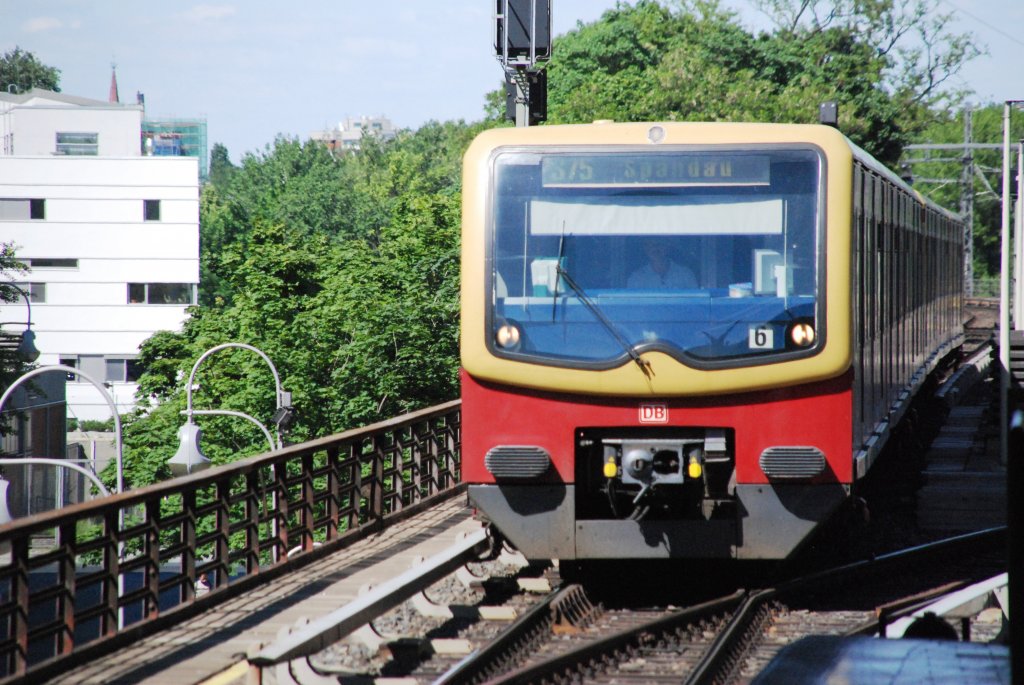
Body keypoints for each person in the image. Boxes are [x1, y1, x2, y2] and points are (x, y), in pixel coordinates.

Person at [627, 239, 697, 289]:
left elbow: (695, 304)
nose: (655, 249)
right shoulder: (636, 278)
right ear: (645, 249)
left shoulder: (685, 274)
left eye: (659, 244)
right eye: (650, 245)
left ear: (668, 247)